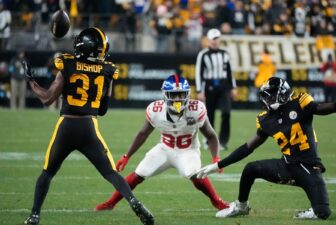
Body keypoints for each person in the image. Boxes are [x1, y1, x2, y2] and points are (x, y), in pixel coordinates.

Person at [22, 27, 154, 225]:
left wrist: (31, 81)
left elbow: (48, 98)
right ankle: (134, 201)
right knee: (110, 173)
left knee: (47, 173)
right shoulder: (107, 69)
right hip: (89, 127)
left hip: (66, 125)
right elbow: (103, 110)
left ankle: (34, 215)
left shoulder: (67, 64)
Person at [197, 76, 336, 219]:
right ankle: (241, 206)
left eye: (271, 95)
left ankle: (313, 210)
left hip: (308, 167)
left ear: (282, 93)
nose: (268, 99)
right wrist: (218, 165)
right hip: (286, 166)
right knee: (251, 169)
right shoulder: (265, 118)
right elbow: (247, 148)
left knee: (323, 213)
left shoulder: (301, 103)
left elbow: (335, 107)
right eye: (266, 95)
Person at [95, 74, 229, 212]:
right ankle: (111, 203)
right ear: (165, 95)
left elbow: (211, 135)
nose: (178, 99)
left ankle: (216, 201)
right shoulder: (156, 110)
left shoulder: (196, 110)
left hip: (188, 150)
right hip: (165, 149)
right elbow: (143, 133)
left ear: (188, 94)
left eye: (181, 94)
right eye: (173, 95)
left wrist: (216, 158)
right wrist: (126, 156)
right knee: (140, 173)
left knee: (194, 173)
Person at [195, 28, 237, 150]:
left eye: (217, 38)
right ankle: (209, 140)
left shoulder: (225, 53)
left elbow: (230, 71)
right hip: (209, 86)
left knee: (226, 112)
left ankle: (223, 141)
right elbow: (199, 73)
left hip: (223, 86)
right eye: (213, 39)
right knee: (209, 115)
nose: (215, 41)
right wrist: (199, 90)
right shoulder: (203, 54)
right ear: (208, 40)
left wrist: (233, 87)